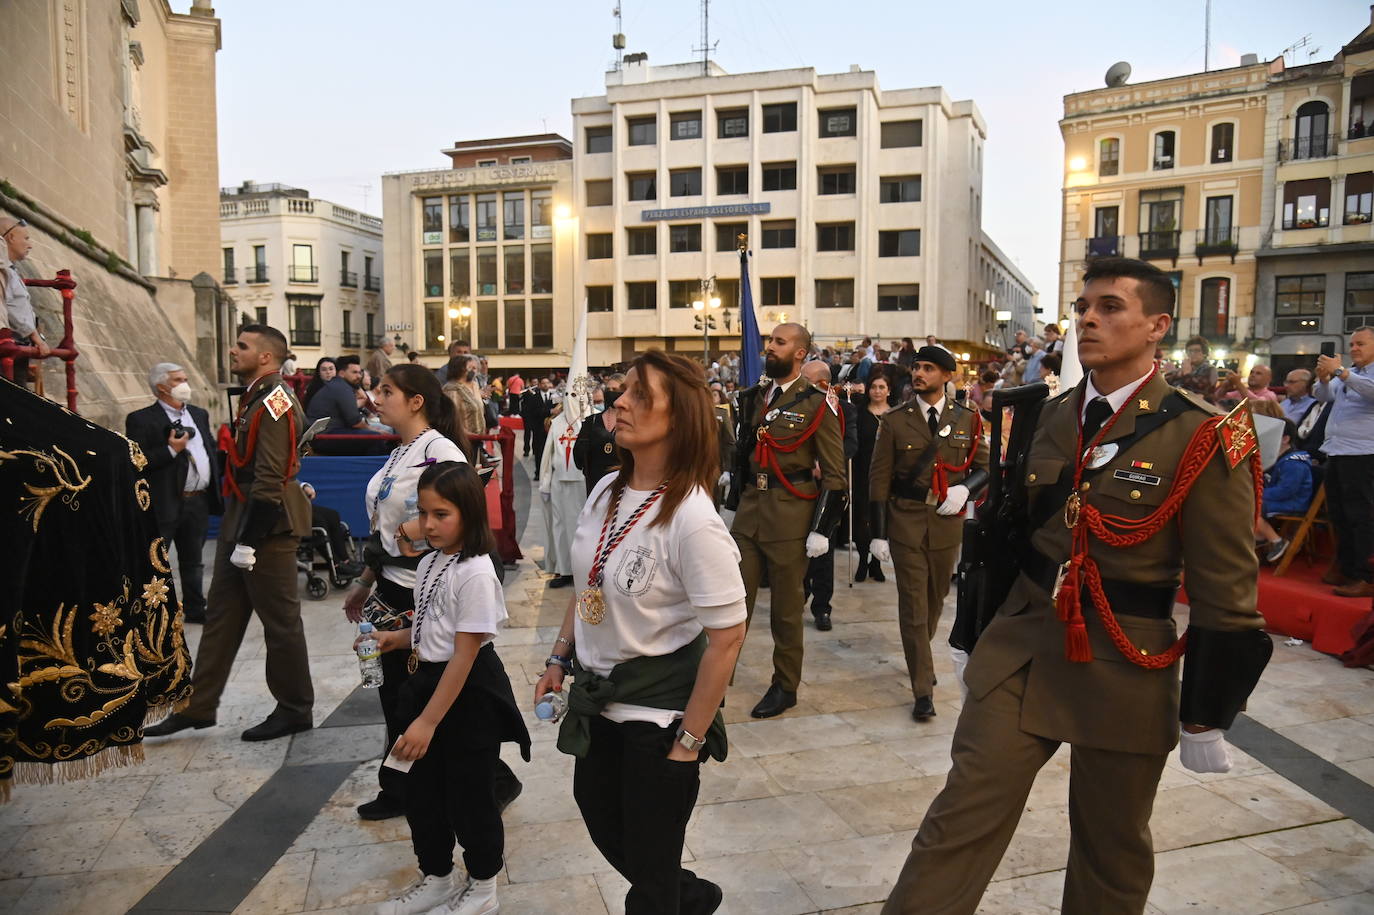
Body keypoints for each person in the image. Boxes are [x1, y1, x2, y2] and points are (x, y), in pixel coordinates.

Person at [883, 257, 1271, 914]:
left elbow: (1225, 581)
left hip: (1126, 657)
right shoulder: (1043, 415)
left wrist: (1208, 711)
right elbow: (1008, 537)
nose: (1089, 318)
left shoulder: (1201, 431)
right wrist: (974, 628)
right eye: (1083, 306)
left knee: (1111, 847)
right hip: (1026, 643)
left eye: (1111, 306)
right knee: (959, 819)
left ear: (1157, 325)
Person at [534, 350, 747, 915]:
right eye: (621, 390)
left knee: (649, 884)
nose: (619, 402)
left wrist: (690, 742)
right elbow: (588, 586)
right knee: (604, 820)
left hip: (657, 716)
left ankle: (675, 898)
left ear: (677, 419)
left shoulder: (693, 519)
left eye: (638, 395)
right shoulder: (606, 490)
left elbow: (727, 637)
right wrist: (559, 657)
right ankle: (692, 895)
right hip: (597, 699)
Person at [367, 461, 530, 915]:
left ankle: (482, 886)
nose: (430, 525)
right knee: (421, 793)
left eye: (443, 514)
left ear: (470, 515)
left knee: (469, 796)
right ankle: (437, 875)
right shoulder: (434, 560)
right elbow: (432, 628)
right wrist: (397, 638)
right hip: (426, 684)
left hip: (465, 696)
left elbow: (465, 653)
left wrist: (427, 722)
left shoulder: (476, 572)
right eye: (424, 513)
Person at [147, 325, 317, 742]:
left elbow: (269, 477)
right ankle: (198, 706)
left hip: (266, 529)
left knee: (280, 624)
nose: (232, 350)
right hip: (242, 521)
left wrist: (248, 540)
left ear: (265, 357)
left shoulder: (274, 400)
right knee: (221, 617)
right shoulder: (257, 396)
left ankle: (295, 708)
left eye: (242, 346)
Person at [725, 324, 846, 718]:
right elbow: (745, 450)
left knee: (786, 611)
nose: (769, 348)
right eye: (770, 341)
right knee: (730, 604)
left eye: (779, 342)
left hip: (791, 517)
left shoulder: (816, 402)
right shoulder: (755, 397)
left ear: (800, 353)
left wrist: (822, 530)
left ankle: (785, 685)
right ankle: (715, 682)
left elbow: (834, 473)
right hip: (749, 514)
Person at [868, 346, 989, 721]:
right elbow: (878, 479)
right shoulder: (895, 420)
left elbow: (985, 466)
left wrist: (965, 489)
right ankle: (923, 689)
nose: (919, 373)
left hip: (945, 522)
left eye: (929, 368)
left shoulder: (968, 418)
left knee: (935, 600)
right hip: (906, 520)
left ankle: (917, 653)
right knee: (914, 607)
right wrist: (879, 533)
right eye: (917, 367)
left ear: (947, 375)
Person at [124, 362, 222, 624]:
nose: (184, 384)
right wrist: (171, 450)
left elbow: (210, 449)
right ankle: (150, 612)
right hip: (163, 502)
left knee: (194, 560)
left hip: (196, 501)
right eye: (178, 380)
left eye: (185, 378)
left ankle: (195, 608)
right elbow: (137, 460)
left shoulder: (199, 415)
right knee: (155, 560)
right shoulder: (141, 419)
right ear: (161, 387)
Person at [1315, 326, 1374, 598]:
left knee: (1362, 516)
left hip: (1364, 453)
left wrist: (1339, 372)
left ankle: (1367, 575)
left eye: (1360, 344)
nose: (1354, 349)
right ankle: (1348, 568)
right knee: (1338, 513)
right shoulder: (1352, 372)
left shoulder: (1359, 374)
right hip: (1337, 451)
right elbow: (1323, 396)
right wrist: (1324, 378)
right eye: (1352, 344)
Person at [800, 360, 857, 631]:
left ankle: (822, 607)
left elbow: (850, 443)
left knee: (824, 551)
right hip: (800, 486)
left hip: (828, 488)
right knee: (798, 547)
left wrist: (827, 460)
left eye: (807, 380)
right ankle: (799, 594)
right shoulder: (796, 406)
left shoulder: (843, 408)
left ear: (822, 382)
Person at [539, 390, 587, 589]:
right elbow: (548, 455)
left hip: (582, 482)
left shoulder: (589, 420)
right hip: (559, 481)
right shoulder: (557, 423)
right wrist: (546, 482)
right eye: (567, 394)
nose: (571, 398)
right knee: (560, 527)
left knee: (581, 527)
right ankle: (564, 569)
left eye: (575, 394)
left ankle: (582, 570)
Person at [852, 372, 895, 582]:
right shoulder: (859, 415)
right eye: (873, 387)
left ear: (889, 390)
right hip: (863, 474)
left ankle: (876, 563)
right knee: (862, 520)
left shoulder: (895, 415)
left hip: (888, 476)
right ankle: (862, 559)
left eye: (881, 387)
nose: (877, 391)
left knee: (882, 518)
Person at [1254, 420, 1315, 564]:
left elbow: (1286, 491)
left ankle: (1276, 541)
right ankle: (1258, 542)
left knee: (1250, 506)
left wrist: (1258, 494)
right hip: (1278, 499)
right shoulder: (1275, 457)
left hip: (1293, 503)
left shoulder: (1294, 462)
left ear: (1285, 439)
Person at [0, 217, 51, 368]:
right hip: (11, 344)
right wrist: (37, 340)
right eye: (26, 238)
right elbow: (15, 307)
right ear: (11, 237)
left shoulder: (10, 270)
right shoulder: (5, 271)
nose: (30, 245)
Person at [573, 385, 621, 496]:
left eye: (615, 388)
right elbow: (579, 459)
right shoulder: (591, 421)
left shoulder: (631, 421)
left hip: (621, 481)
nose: (611, 391)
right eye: (609, 389)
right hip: (595, 482)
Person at [307, 355, 373, 433]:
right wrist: (375, 430)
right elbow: (354, 421)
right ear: (341, 373)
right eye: (354, 372)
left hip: (331, 430)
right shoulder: (341, 388)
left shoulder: (341, 386)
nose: (359, 376)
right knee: (376, 434)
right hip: (327, 433)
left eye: (360, 373)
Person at [441, 354, 487, 440]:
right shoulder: (451, 389)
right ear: (460, 369)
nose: (473, 371)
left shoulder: (474, 385)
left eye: (475, 368)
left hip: (477, 439)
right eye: (470, 367)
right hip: (462, 440)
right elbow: (452, 420)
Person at [1166, 335, 1218, 400]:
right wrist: (1180, 374)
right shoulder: (1185, 367)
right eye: (1190, 351)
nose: (1192, 353)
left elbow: (1201, 388)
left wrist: (1186, 374)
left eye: (1197, 350)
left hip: (1198, 405)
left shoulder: (1210, 369)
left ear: (1204, 353)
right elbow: (1166, 380)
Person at [519, 377, 552, 465]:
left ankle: (535, 452)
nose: (545, 385)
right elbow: (529, 407)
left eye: (547, 383)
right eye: (543, 383)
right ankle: (527, 450)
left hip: (547, 425)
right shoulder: (531, 394)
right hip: (532, 420)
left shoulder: (551, 396)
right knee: (529, 434)